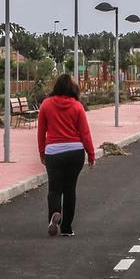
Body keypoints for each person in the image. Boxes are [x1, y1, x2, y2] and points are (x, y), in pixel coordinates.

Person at [38, 73, 96, 237]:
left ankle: (55, 215)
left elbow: (41, 133)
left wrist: (42, 153)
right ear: (72, 89)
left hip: (53, 152)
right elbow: (85, 133)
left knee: (54, 189)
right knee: (70, 190)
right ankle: (67, 228)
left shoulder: (46, 105)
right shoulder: (77, 106)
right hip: (75, 151)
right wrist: (91, 155)